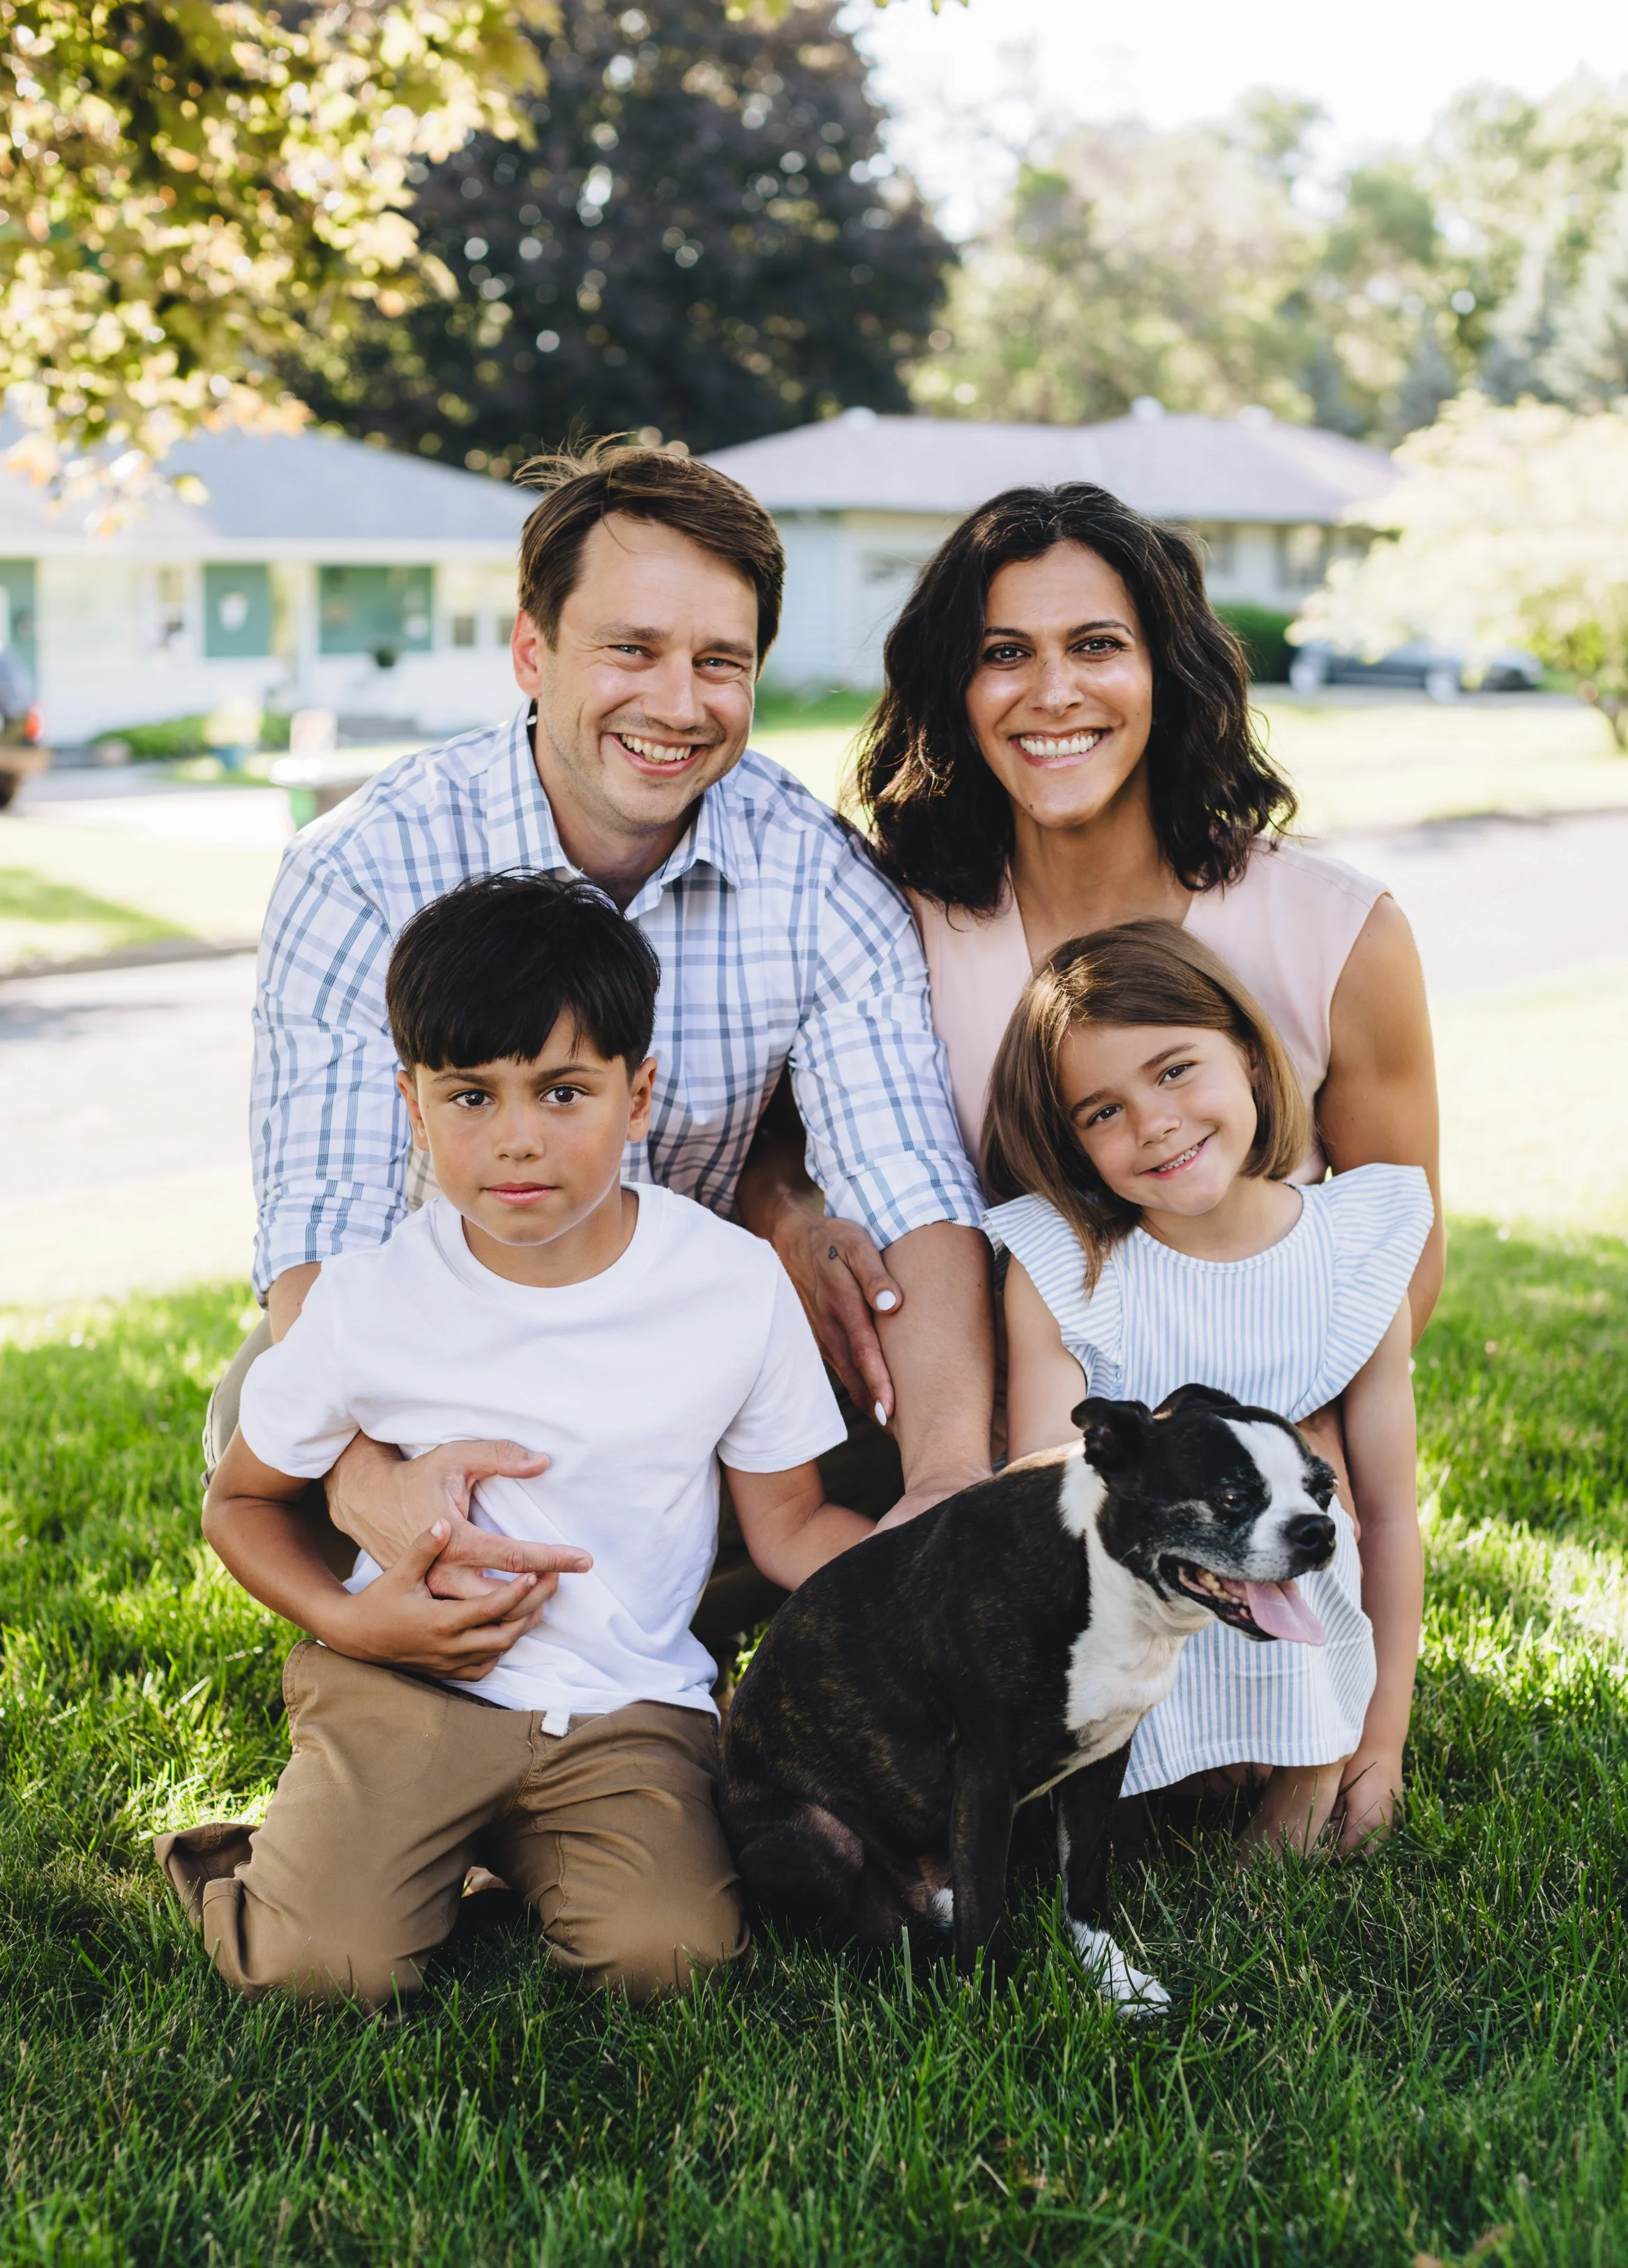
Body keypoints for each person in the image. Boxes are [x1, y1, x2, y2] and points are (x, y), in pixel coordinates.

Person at [219, 439, 992, 1656]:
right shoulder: (363, 866)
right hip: (453, 1359)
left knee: (906, 1350)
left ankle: (705, 1670)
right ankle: (433, 1658)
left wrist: (949, 1481)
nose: (676, 704)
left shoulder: (812, 872)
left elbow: (911, 1185)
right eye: (630, 650)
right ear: (533, 652)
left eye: (717, 663)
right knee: (264, 1403)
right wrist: (382, 1488)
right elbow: (325, 1224)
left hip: (686, 1352)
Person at [161, 874, 875, 2006]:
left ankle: (468, 1860)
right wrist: (351, 1619)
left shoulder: (730, 1287)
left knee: (669, 1962)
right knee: (319, 1970)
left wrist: (942, 1563)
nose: (517, 1142)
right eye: (470, 1097)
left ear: (637, 1095)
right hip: (402, 1686)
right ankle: (244, 1865)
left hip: (624, 1706)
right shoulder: (365, 1304)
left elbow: (787, 1525)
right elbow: (239, 1503)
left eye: (561, 1092)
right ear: (413, 1105)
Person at [848, 479, 1443, 1352]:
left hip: (1252, 1438)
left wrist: (1288, 1427)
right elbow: (791, 1142)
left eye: (1096, 645)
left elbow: (1402, 1248)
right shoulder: (891, 925)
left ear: (1168, 668)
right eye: (1004, 653)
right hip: (986, 1433)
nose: (1053, 693)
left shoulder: (1343, 933)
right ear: (955, 689)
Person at [983, 921, 1431, 1854]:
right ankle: (1137, 1784)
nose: (1153, 1122)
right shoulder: (1067, 1268)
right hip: (1135, 1634)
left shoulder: (1349, 1251)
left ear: (1251, 1061)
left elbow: (1389, 1518)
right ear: (1070, 1146)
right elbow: (1040, 1503)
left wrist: (1380, 1743)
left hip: (1300, 1635)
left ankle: (1302, 1761)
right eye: (1100, 1112)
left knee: (1312, 1510)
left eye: (1176, 1069)